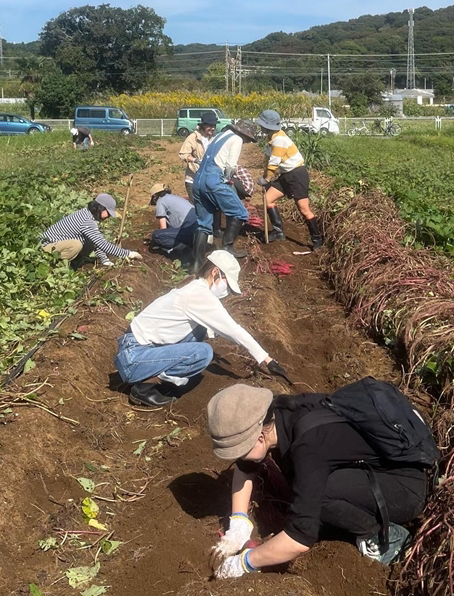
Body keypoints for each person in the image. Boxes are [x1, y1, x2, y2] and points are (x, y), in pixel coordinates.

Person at [206, 384, 429, 579]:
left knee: (319, 494)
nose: (239, 457)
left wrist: (245, 562)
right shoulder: (280, 413)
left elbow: (299, 538)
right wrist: (238, 522)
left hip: (406, 488)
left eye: (240, 450)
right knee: (312, 487)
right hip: (371, 471)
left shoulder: (308, 446)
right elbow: (245, 469)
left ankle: (384, 538)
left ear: (260, 436)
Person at [114, 250, 288, 407]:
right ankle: (143, 387)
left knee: (200, 330)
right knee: (202, 353)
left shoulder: (193, 285)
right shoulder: (199, 295)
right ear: (215, 272)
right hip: (133, 358)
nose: (226, 290)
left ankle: (153, 377)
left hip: (135, 348)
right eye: (226, 283)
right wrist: (266, 359)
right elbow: (233, 330)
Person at [192, 119, 259, 268]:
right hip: (213, 179)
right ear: (244, 135)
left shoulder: (219, 136)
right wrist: (228, 184)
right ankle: (227, 248)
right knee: (240, 213)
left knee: (203, 224)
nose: (247, 142)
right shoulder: (236, 139)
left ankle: (196, 264)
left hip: (198, 180)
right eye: (248, 139)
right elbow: (230, 167)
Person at [255, 110, 322, 250]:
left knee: (304, 209)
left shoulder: (279, 139)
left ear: (267, 126)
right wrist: (264, 176)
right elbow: (267, 160)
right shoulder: (271, 139)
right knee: (268, 199)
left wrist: (267, 179)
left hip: (297, 175)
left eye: (262, 125)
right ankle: (278, 232)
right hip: (286, 174)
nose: (260, 127)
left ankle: (317, 240)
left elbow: (274, 163)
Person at [41, 193, 142, 268]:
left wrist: (105, 260)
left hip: (57, 245)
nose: (109, 217)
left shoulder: (87, 215)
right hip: (47, 247)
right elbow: (102, 244)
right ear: (100, 208)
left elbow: (96, 242)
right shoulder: (86, 220)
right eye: (108, 213)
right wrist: (128, 254)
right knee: (76, 245)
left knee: (89, 241)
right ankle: (54, 266)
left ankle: (74, 260)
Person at [149, 182, 197, 254]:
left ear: (155, 197)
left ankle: (182, 249)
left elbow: (163, 228)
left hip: (190, 228)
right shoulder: (174, 197)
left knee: (156, 235)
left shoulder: (160, 201)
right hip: (199, 225)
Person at [179, 112, 218, 200]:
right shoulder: (193, 138)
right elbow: (183, 154)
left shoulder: (213, 139)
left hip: (207, 179)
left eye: (214, 126)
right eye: (210, 126)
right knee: (195, 205)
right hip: (193, 179)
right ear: (203, 126)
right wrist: (196, 160)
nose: (212, 128)